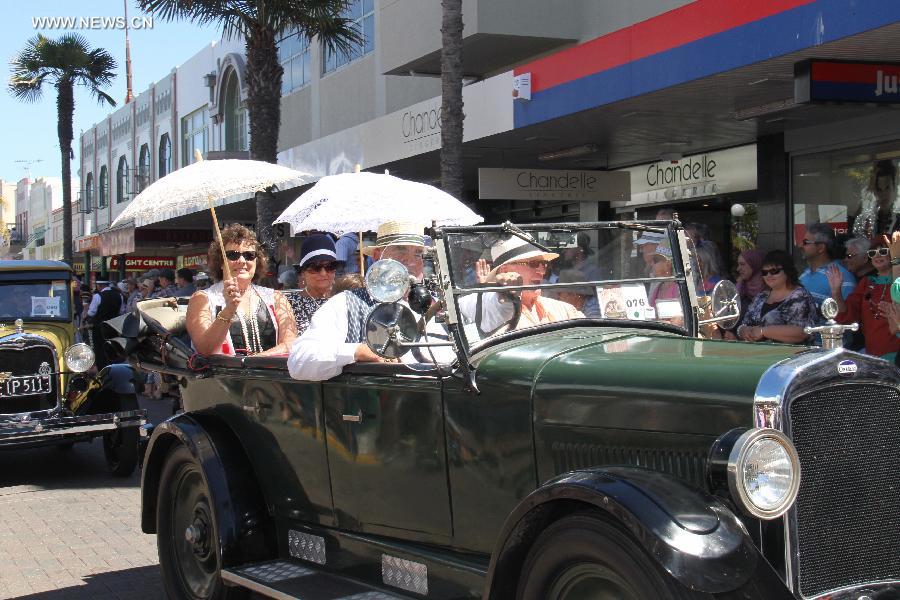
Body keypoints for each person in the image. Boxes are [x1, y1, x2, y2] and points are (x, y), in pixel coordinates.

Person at [288, 221, 431, 381]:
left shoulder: (436, 306)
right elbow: (299, 362)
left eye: (418, 253)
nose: (409, 261)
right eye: (400, 249)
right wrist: (357, 351)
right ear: (378, 256)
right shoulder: (346, 304)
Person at [186, 224, 297, 356]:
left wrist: (253, 362)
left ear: (257, 261)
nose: (242, 261)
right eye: (232, 255)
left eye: (249, 255)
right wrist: (228, 311)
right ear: (221, 262)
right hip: (225, 376)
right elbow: (204, 350)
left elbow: (291, 345)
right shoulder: (203, 299)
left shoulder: (276, 297)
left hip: (269, 375)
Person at [463, 235, 583, 333]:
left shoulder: (562, 309)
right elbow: (490, 306)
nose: (542, 271)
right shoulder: (495, 311)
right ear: (505, 270)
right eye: (534, 264)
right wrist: (490, 291)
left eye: (544, 264)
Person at [827, 241, 899, 360]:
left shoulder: (898, 282)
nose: (877, 256)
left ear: (894, 253)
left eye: (883, 251)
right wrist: (836, 292)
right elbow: (847, 316)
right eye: (873, 253)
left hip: (896, 355)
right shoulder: (867, 282)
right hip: (872, 354)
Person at [737, 250, 818, 344]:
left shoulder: (800, 296)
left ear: (787, 270)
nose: (769, 275)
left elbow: (802, 333)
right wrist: (743, 331)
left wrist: (763, 331)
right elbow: (744, 324)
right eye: (764, 272)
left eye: (774, 271)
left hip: (793, 356)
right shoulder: (760, 297)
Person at [285, 234, 339, 335]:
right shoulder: (289, 304)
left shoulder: (344, 300)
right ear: (303, 272)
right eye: (315, 267)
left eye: (330, 266)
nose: (323, 273)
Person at [799, 223, 855, 306]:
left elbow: (845, 316)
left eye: (805, 242)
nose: (800, 246)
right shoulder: (803, 275)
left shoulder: (842, 278)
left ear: (821, 247)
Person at [853, 159, 898, 239]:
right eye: (879, 190)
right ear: (874, 191)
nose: (883, 194)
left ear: (894, 188)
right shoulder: (865, 220)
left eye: (887, 188)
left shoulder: (897, 218)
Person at [86, 279, 123, 369]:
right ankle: (113, 367)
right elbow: (122, 311)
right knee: (112, 347)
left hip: (99, 327)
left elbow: (91, 312)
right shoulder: (119, 296)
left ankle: (102, 368)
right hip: (114, 326)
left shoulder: (97, 296)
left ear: (99, 286)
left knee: (99, 349)